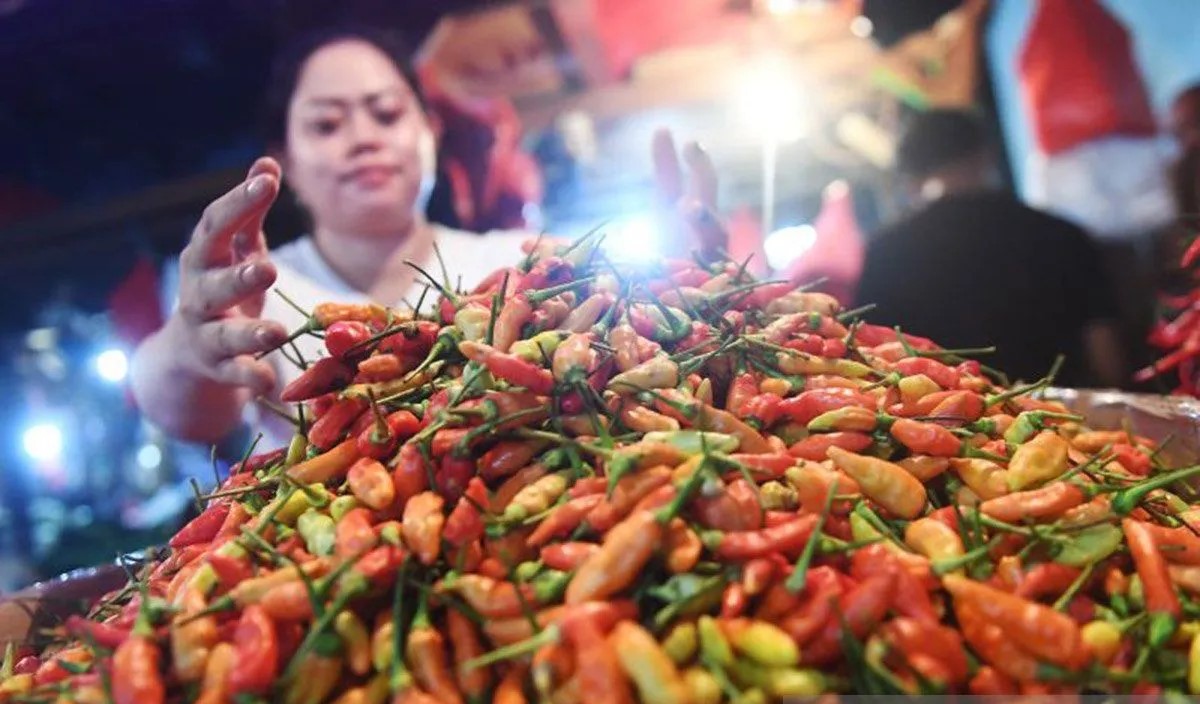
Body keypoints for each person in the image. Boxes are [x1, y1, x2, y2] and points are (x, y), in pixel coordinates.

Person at [131, 26, 721, 453]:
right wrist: (190, 350)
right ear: (287, 157)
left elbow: (632, 323)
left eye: (386, 114)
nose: (363, 137)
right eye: (326, 124)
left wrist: (684, 280)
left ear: (429, 133)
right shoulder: (254, 289)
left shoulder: (515, 260)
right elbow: (180, 407)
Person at [855, 109, 1124, 388]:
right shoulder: (1061, 234)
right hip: (1067, 422)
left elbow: (872, 359)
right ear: (986, 155)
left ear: (910, 175)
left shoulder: (886, 253)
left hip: (945, 424)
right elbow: (1107, 356)